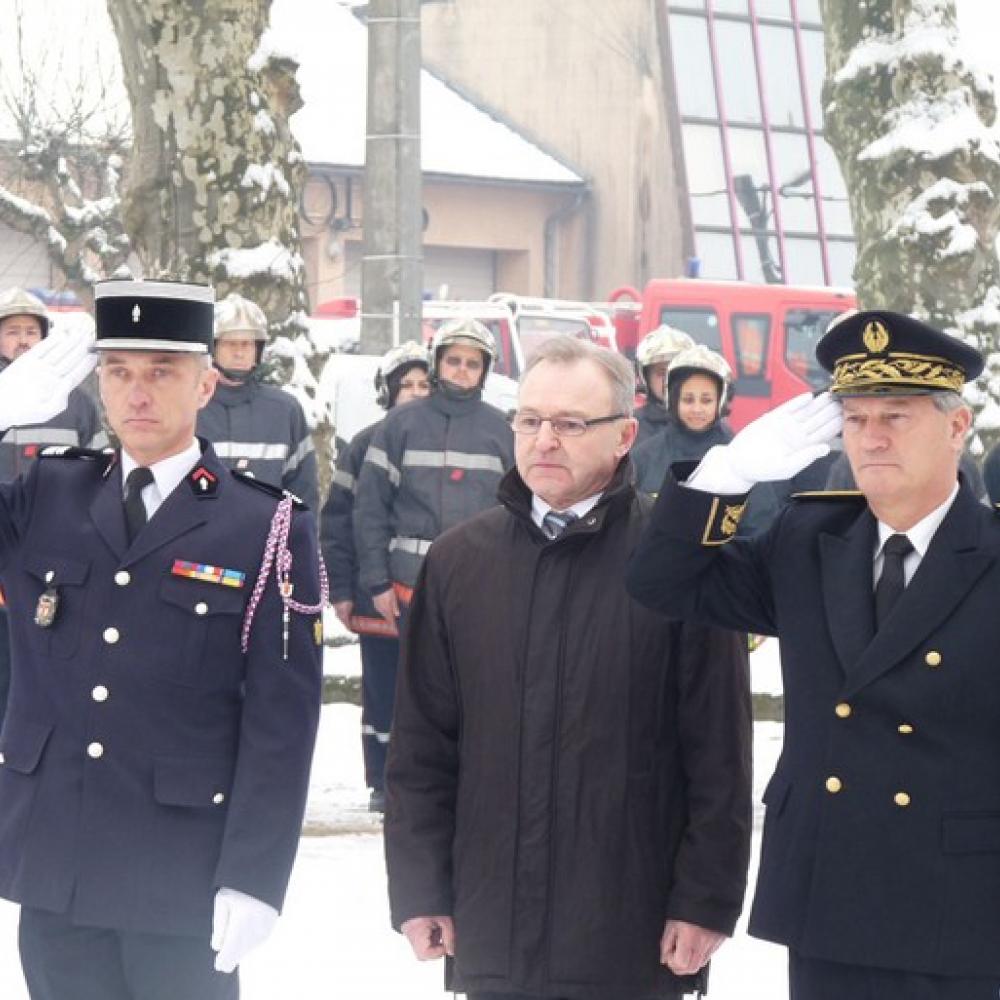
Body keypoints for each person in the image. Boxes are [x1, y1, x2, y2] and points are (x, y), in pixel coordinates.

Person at [626, 309, 1000, 998]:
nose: (872, 437)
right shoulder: (808, 538)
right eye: (855, 419)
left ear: (956, 425)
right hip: (834, 889)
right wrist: (728, 474)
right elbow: (662, 583)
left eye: (896, 415)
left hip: (967, 903)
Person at [385, 335, 752, 1000]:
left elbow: (720, 752)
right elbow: (421, 747)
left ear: (624, 436)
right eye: (529, 420)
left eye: (571, 423)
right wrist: (420, 889)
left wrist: (706, 900)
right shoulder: (459, 562)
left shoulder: (677, 561)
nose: (544, 440)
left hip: (631, 931)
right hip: (491, 923)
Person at [0, 279, 323, 1000]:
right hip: (58, 869)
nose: (136, 394)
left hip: (180, 877)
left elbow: (282, 722)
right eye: (118, 372)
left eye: (161, 372)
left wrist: (255, 876)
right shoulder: (44, 497)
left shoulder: (266, 525)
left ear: (205, 383)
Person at [321, 341, 431, 813]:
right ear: (386, 391)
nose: (415, 392)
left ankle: (428, 777)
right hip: (377, 596)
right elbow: (339, 522)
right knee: (383, 689)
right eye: (404, 384)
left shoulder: (445, 442)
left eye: (424, 383)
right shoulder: (364, 444)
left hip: (431, 595)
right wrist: (344, 590)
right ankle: (382, 780)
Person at [354, 317, 515, 630]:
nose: (462, 369)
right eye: (453, 360)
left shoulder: (502, 432)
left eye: (472, 363)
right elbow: (370, 508)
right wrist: (377, 583)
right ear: (436, 362)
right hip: (407, 589)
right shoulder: (400, 424)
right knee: (412, 679)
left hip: (479, 589)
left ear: (485, 371)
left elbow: (518, 515)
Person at [0, 287, 105, 724]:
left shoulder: (77, 405)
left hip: (55, 563)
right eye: (12, 331)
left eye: (31, 330)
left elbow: (100, 477)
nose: (23, 340)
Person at [632, 345, 778, 534]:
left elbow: (760, 528)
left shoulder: (742, 458)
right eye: (688, 399)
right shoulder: (643, 457)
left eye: (706, 400)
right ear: (673, 399)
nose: (697, 409)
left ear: (721, 401)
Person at [196, 292, 318, 510]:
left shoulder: (284, 411)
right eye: (230, 344)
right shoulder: (189, 407)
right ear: (212, 348)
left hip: (266, 540)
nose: (240, 353)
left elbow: (303, 493)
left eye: (247, 344)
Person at [633, 324, 695, 446]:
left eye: (677, 371)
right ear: (646, 378)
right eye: (662, 373)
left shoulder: (711, 424)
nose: (669, 380)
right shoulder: (632, 429)